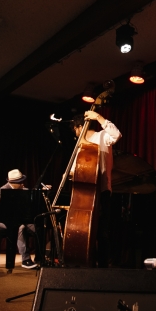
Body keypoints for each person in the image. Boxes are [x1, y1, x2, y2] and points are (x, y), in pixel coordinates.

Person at [70, 110, 122, 267]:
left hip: (102, 191)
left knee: (102, 233)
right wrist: (70, 173)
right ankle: (85, 261)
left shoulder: (102, 136)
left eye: (75, 129)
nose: (75, 133)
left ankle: (103, 267)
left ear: (80, 127)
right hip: (85, 193)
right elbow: (76, 168)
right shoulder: (81, 144)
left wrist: (99, 117)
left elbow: (117, 135)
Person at [0, 169, 39, 269]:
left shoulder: (22, 189)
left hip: (21, 220)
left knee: (39, 228)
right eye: (20, 182)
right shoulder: (3, 190)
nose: (23, 184)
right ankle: (25, 259)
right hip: (3, 221)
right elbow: (4, 210)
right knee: (20, 227)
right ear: (13, 183)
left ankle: (41, 257)